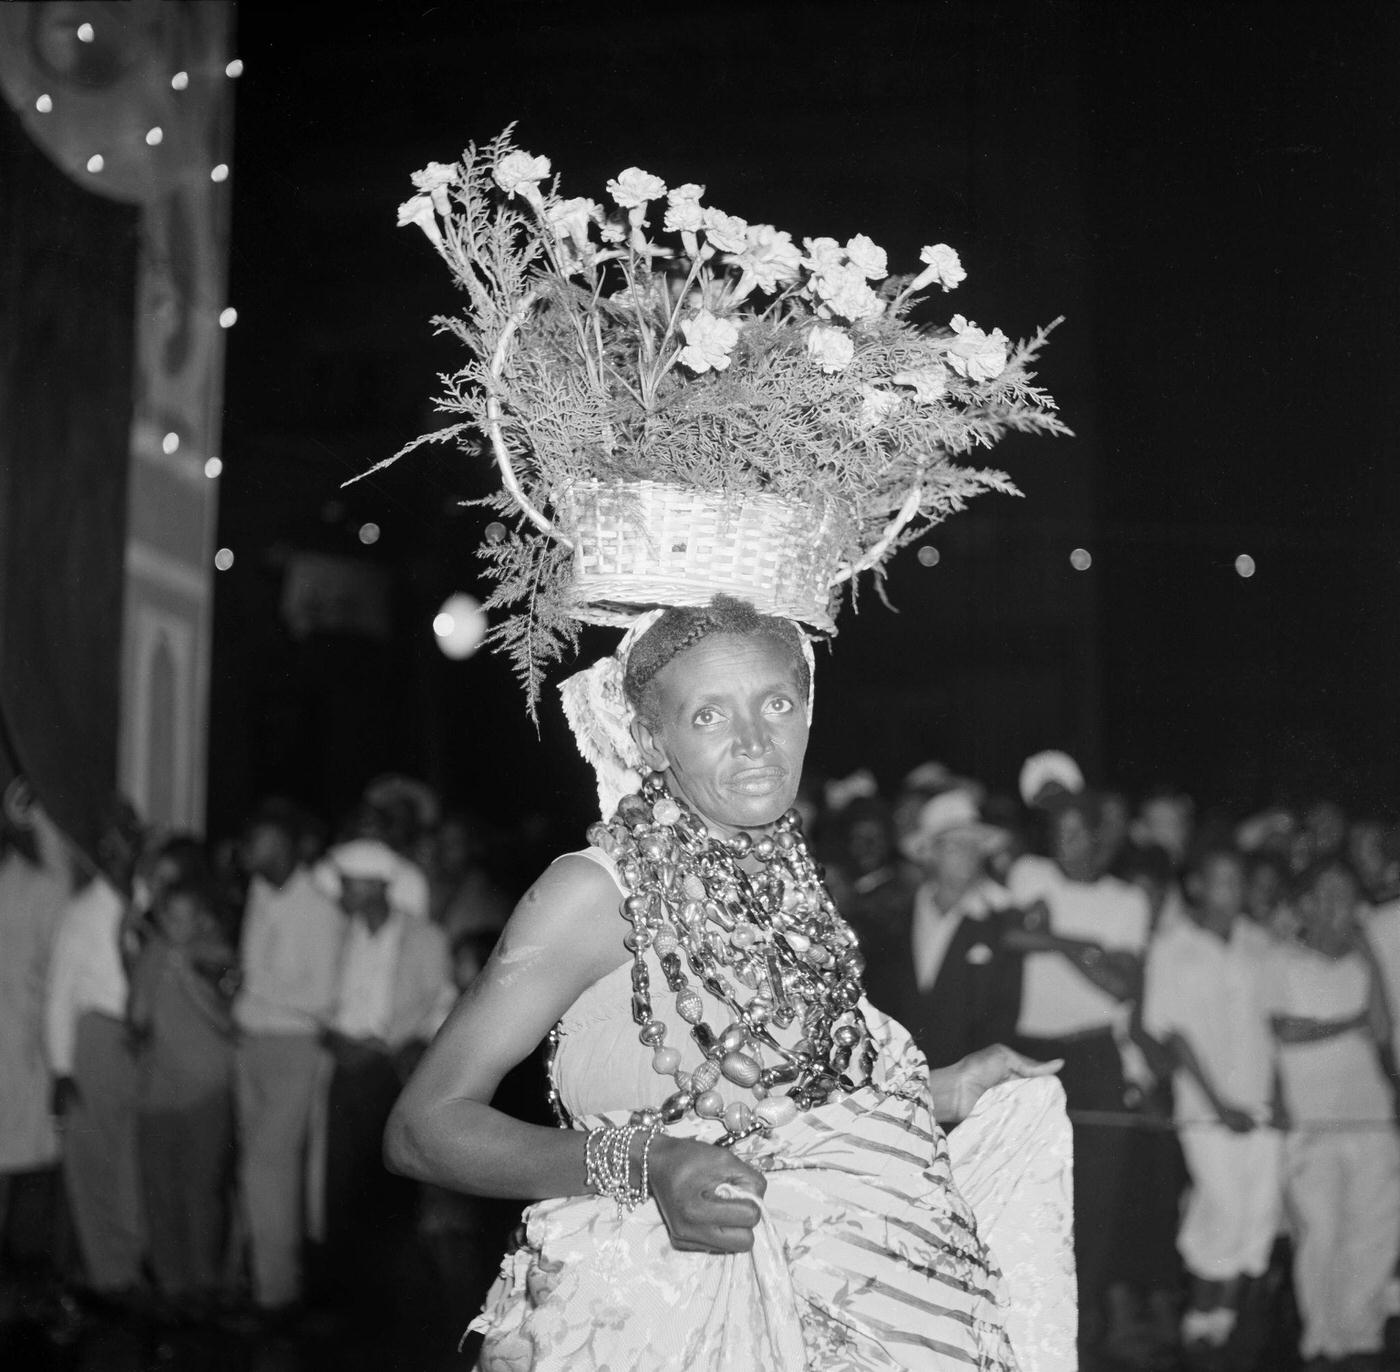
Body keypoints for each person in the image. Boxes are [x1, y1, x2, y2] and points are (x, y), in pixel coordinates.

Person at [386, 598, 1076, 1371]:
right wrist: (651, 1165)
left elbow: (783, 1110)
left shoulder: (785, 879)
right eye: (709, 717)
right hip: (657, 1325)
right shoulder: (592, 893)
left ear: (808, 713)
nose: (756, 742)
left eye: (776, 704)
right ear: (653, 740)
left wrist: (943, 1093)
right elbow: (421, 1129)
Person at [1004, 789, 1151, 1350]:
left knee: (1095, 1195)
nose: (1065, 845)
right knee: (1031, 1193)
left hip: (1094, 1056)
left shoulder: (1126, 900)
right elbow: (1009, 936)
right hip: (1030, 1054)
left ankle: (1083, 1327)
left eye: (1076, 832)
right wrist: (1080, 945)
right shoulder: (1029, 872)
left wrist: (1054, 944)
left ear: (1100, 836)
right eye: (1057, 832)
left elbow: (1123, 986)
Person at [1141, 844, 1281, 1356]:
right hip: (1205, 1105)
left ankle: (1222, 1320)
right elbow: (1174, 1035)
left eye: (1239, 880)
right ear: (1196, 885)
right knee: (1222, 1205)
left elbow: (1269, 1027)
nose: (1233, 889)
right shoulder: (1172, 946)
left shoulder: (1258, 942)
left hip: (1261, 1100)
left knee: (1258, 1213)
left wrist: (1278, 1098)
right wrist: (1218, 1104)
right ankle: (1200, 1313)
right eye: (1220, 879)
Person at [1265, 857, 1400, 1368]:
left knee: (1375, 1230)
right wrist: (1349, 1022)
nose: (1341, 906)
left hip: (1371, 1117)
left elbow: (1384, 1034)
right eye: (1329, 894)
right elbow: (1284, 1031)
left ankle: (1360, 1334)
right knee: (1321, 1233)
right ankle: (1321, 1339)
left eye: (1348, 895)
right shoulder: (1280, 960)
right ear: (1304, 904)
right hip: (1312, 1124)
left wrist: (1370, 957)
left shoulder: (1361, 962)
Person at [316, 838, 453, 1315]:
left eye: (350, 885)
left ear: (376, 886)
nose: (342, 894)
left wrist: (402, 1044)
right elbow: (327, 1000)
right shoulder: (339, 932)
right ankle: (346, 1294)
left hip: (393, 1068)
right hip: (345, 1067)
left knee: (389, 1181)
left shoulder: (423, 937)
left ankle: (391, 1297)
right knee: (342, 1181)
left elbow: (439, 1005)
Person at [233, 800, 346, 1318]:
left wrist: (252, 990)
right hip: (251, 1044)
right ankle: (257, 1280)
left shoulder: (319, 910)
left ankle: (274, 1295)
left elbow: (323, 997)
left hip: (294, 1047)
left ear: (278, 847)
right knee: (256, 1168)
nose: (244, 852)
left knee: (267, 1169)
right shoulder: (258, 893)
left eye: (254, 843)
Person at [43, 799, 146, 1304]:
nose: (118, 846)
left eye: (127, 833)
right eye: (108, 838)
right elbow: (59, 995)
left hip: (146, 1046)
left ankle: (133, 1262)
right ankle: (109, 1275)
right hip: (99, 1041)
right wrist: (61, 1069)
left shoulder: (151, 906)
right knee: (94, 1161)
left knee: (134, 1159)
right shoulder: (81, 914)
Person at [127, 877, 239, 1315]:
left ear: (201, 921)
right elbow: (137, 1017)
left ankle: (205, 1285)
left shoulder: (219, 956)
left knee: (202, 1191)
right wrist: (144, 965)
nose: (170, 925)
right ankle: (171, 1287)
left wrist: (187, 976)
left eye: (180, 917)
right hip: (156, 1091)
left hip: (205, 1090)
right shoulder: (154, 953)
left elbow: (226, 1021)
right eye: (165, 916)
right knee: (159, 1190)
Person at [860, 788, 1021, 1071]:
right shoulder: (894, 917)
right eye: (955, 845)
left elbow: (1002, 1014)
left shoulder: (998, 921)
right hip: (898, 1076)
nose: (968, 855)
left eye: (974, 846)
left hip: (967, 1084)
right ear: (930, 853)